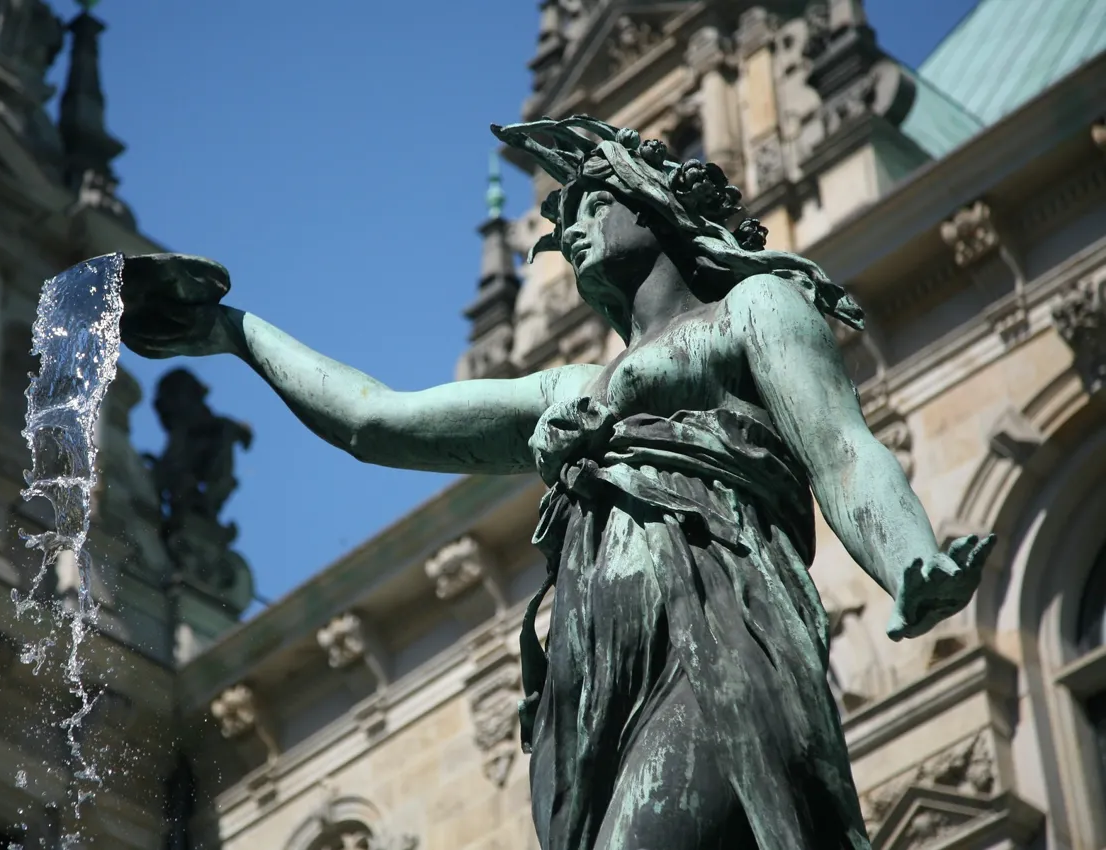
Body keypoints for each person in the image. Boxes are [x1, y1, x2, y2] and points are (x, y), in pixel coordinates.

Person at [117, 116, 993, 850]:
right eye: (564, 218)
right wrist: (235, 333)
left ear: (652, 204)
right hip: (592, 677)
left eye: (593, 204)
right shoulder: (570, 387)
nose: (572, 229)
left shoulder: (756, 310)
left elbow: (841, 449)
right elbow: (374, 420)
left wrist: (907, 556)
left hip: (717, 629)